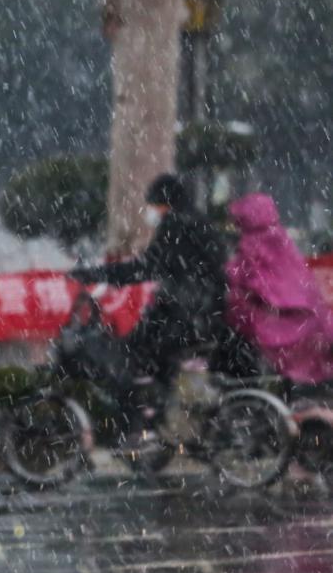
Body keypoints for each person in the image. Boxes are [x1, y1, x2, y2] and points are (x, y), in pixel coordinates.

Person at [70, 174, 228, 434]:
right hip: (207, 315)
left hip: (182, 317)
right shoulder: (201, 223)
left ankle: (136, 429)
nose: (152, 211)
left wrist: (97, 275)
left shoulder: (175, 224)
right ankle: (164, 423)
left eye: (154, 204)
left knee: (128, 356)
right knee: (159, 364)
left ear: (164, 203)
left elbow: (147, 267)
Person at [226, 192, 333, 384]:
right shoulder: (283, 242)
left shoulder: (250, 247)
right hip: (311, 330)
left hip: (273, 338)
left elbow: (245, 287)